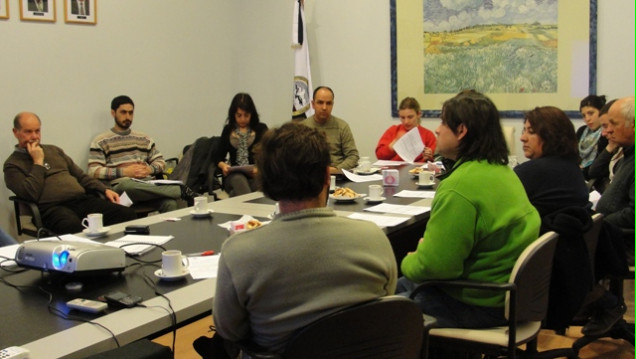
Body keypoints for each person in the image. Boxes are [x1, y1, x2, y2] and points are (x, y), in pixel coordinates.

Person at [213, 123, 397, 354]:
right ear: (326, 177)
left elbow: (229, 331)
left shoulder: (238, 254)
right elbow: (386, 301)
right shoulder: (374, 238)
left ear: (265, 181)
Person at [398, 90, 541, 328]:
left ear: (462, 130)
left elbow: (435, 268)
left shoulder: (459, 187)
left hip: (475, 302)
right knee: (398, 284)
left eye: (443, 122)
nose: (437, 129)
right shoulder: (501, 171)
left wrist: (408, 259)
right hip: (505, 295)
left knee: (375, 312)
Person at [4, 112, 137, 235]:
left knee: (126, 214)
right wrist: (38, 162)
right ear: (16, 132)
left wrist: (105, 190)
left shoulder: (54, 150)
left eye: (37, 131)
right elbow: (30, 194)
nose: (34, 137)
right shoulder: (12, 165)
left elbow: (80, 176)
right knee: (72, 227)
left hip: (81, 200)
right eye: (28, 132)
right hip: (51, 209)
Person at [581, 96, 634, 337]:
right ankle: (596, 303)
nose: (606, 131)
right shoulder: (627, 152)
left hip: (625, 241)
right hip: (611, 233)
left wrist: (597, 223)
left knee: (563, 246)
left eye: (612, 123)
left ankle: (604, 304)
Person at [88, 95, 196, 213]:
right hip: (121, 190)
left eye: (131, 113)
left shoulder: (143, 138)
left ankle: (174, 229)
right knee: (127, 185)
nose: (127, 117)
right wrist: (125, 172)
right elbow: (94, 171)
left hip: (146, 186)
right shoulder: (101, 140)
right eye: (123, 112)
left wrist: (149, 170)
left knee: (170, 203)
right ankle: (180, 191)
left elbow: (160, 162)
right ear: (113, 113)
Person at [514, 106, 590, 218]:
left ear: (551, 135)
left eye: (531, 132)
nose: (522, 138)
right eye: (524, 130)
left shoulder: (530, 172)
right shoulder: (572, 167)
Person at [214, 93, 268, 197]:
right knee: (239, 180)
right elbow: (218, 157)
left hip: (254, 174)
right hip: (233, 176)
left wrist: (259, 168)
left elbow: (269, 153)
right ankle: (250, 211)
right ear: (233, 114)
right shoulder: (228, 130)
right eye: (239, 115)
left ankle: (243, 208)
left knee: (246, 189)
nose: (242, 119)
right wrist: (224, 166)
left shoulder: (261, 129)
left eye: (246, 115)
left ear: (252, 114)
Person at [301, 86, 360, 173]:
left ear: (332, 104)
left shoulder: (342, 126)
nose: (324, 107)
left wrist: (336, 169)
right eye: (320, 103)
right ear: (313, 104)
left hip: (338, 175)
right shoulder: (302, 128)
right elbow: (298, 158)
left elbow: (353, 156)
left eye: (328, 103)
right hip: (312, 176)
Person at [375, 97, 437, 162]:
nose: (406, 121)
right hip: (394, 170)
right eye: (402, 117)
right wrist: (394, 144)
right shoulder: (393, 130)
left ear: (418, 114)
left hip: (417, 170)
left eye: (410, 117)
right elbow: (379, 156)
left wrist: (429, 157)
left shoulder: (428, 135)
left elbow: (435, 162)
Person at [588, 99, 622, 193]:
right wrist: (610, 147)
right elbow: (594, 171)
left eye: (606, 126)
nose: (604, 133)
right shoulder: (618, 147)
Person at [578, 95, 608, 179]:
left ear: (601, 112)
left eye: (591, 113)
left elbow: (602, 167)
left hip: (596, 180)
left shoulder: (607, 134)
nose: (587, 119)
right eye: (584, 115)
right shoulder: (581, 131)